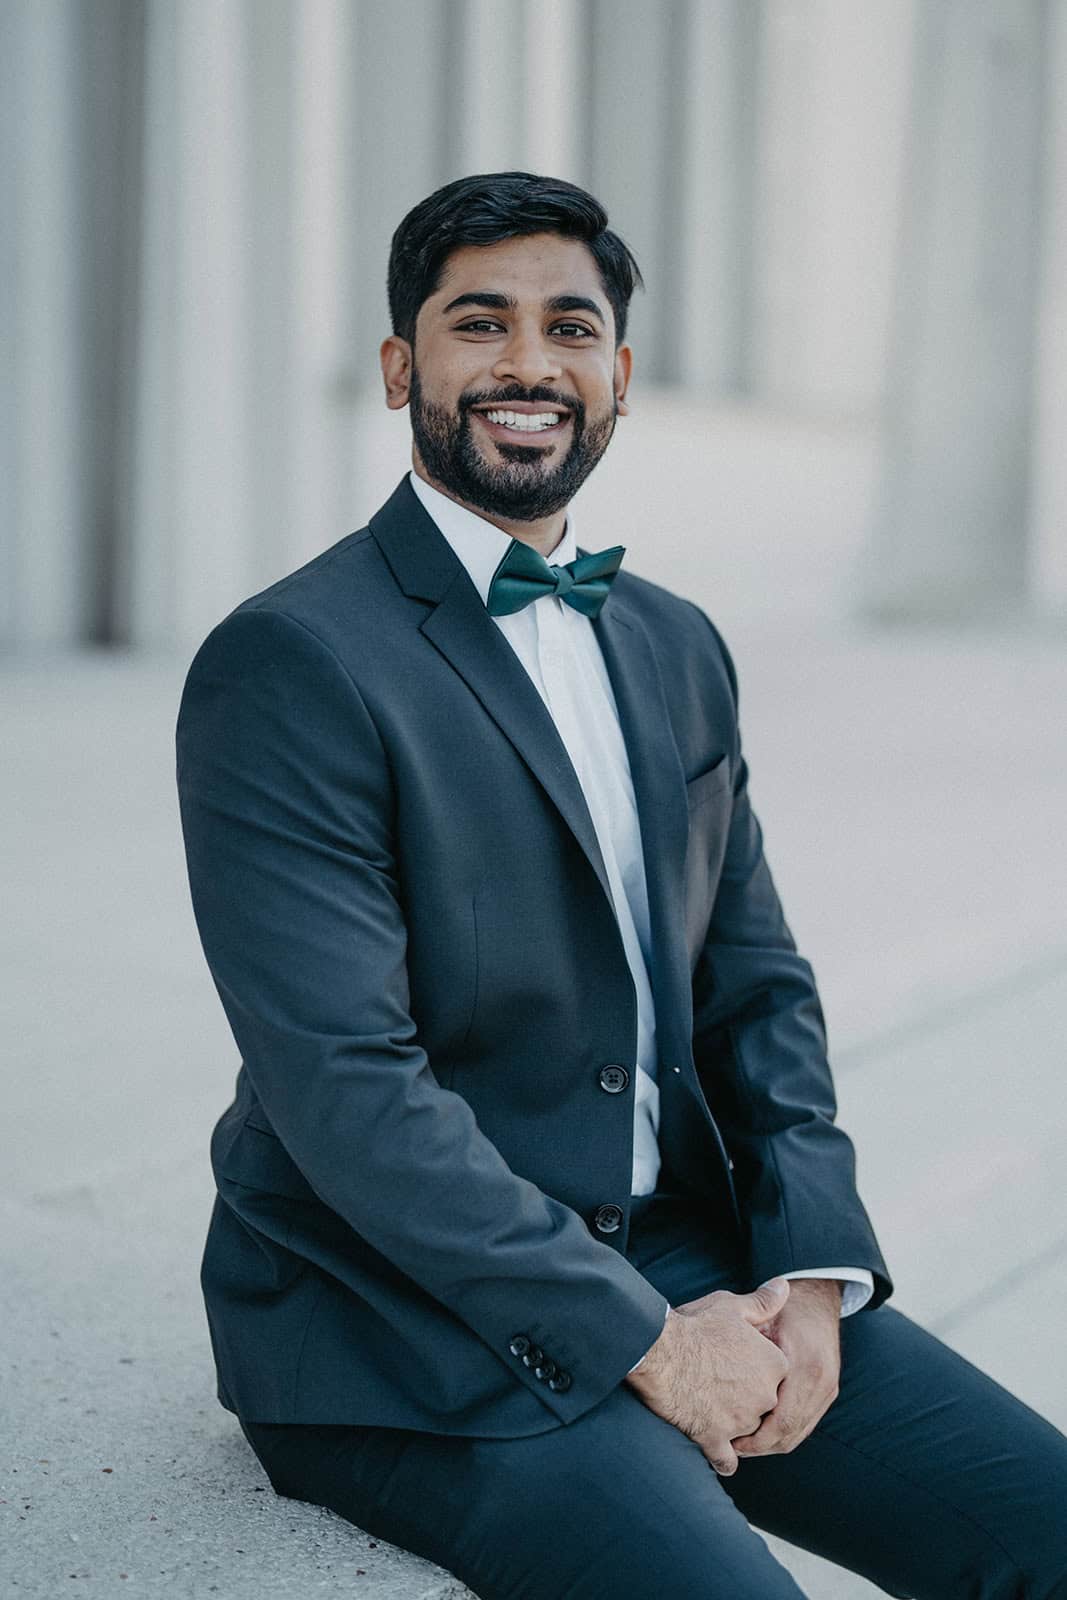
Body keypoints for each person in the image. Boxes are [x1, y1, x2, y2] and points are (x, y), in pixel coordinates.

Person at [176, 172, 1067, 1599]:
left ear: (620, 377)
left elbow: (757, 986)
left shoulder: (673, 641)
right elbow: (346, 1085)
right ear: (404, 365)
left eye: (569, 328)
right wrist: (647, 1339)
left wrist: (817, 1269)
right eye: (481, 324)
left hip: (687, 1245)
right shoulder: (293, 663)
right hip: (400, 1318)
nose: (530, 363)